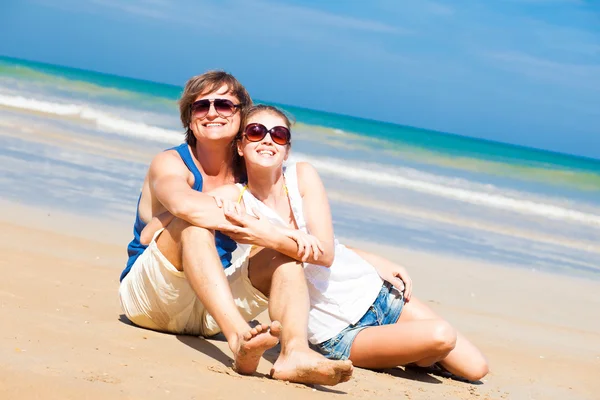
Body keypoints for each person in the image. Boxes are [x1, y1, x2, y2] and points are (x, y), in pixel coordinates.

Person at [142, 104, 489, 382]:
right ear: (241, 145)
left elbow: (324, 251)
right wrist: (164, 212)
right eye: (256, 132)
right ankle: (402, 352)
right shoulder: (234, 197)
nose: (267, 140)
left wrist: (373, 260)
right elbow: (160, 227)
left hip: (374, 293)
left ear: (287, 147)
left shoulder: (303, 176)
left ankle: (411, 355)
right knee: (441, 336)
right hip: (337, 330)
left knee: (476, 368)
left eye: (278, 134)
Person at [118, 71, 353, 386]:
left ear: (241, 115)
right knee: (194, 225)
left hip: (212, 308)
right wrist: (267, 230)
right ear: (189, 119)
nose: (212, 112)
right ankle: (240, 339)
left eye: (224, 105)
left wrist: (379, 264)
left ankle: (293, 354)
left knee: (283, 256)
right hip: (153, 298)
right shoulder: (171, 162)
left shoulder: (253, 171)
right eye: (201, 106)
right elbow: (186, 207)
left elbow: (307, 236)